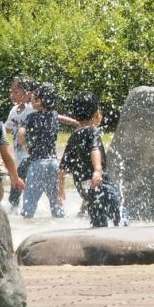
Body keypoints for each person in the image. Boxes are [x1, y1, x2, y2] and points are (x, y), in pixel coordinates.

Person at [57, 92, 122, 227]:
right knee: (119, 214)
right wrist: (97, 170)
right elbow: (95, 149)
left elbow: (62, 168)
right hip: (98, 182)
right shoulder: (92, 132)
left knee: (97, 217)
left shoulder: (74, 136)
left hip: (83, 185)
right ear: (96, 114)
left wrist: (61, 189)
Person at [18, 82, 65, 218]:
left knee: (29, 205)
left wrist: (26, 146)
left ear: (40, 101)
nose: (32, 100)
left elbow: (21, 133)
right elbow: (63, 119)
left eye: (34, 98)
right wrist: (77, 123)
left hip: (37, 164)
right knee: (56, 204)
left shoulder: (32, 117)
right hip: (53, 163)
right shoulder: (54, 115)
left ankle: (27, 227)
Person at [5, 76, 35, 210]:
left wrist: (74, 122)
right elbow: (7, 129)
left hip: (29, 155)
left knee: (18, 181)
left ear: (28, 93)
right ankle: (20, 209)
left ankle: (13, 207)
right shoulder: (14, 110)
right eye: (12, 92)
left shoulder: (32, 109)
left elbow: (53, 115)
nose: (13, 95)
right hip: (18, 155)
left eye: (16, 92)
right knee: (21, 182)